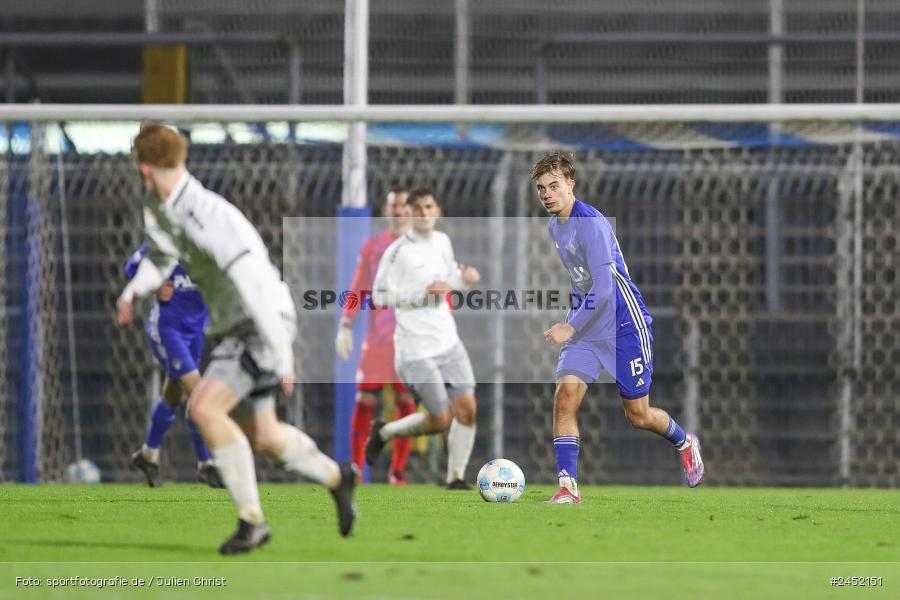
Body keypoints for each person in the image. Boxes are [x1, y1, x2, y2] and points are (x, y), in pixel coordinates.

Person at [117, 123, 356, 555]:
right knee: (262, 436)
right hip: (233, 327)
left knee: (205, 408)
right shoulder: (159, 206)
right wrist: (133, 290)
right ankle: (339, 478)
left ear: (144, 167)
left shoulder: (210, 214)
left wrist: (284, 355)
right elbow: (159, 258)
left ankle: (252, 521)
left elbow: (254, 284)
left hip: (262, 323)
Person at [532, 152, 704, 504]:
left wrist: (569, 325)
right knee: (564, 398)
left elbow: (605, 288)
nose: (547, 194)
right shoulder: (556, 226)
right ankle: (568, 487)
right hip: (587, 330)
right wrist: (576, 324)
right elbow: (582, 283)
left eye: (554, 185)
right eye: (541, 189)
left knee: (638, 416)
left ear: (570, 184)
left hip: (624, 325)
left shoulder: (590, 224)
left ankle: (685, 442)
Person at [365, 186, 480, 489]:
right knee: (440, 420)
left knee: (467, 409)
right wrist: (421, 294)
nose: (424, 213)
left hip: (448, 342)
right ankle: (384, 432)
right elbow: (378, 296)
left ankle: (456, 478)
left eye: (429, 207)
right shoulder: (397, 252)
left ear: (437, 211)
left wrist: (464, 281)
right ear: (409, 214)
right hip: (415, 350)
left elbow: (447, 281)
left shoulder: (443, 241)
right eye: (417, 208)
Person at [335, 187, 417, 485]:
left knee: (406, 400)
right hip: (378, 340)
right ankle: (356, 469)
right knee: (365, 399)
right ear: (386, 210)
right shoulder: (373, 247)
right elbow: (358, 288)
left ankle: (397, 471)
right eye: (393, 205)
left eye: (403, 206)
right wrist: (346, 320)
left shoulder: (422, 246)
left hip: (410, 339)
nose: (398, 211)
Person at [124, 243, 223, 489]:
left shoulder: (212, 243)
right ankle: (208, 463)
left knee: (173, 394)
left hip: (195, 331)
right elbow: (132, 267)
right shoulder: (164, 241)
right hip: (167, 330)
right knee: (199, 395)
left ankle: (148, 455)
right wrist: (156, 286)